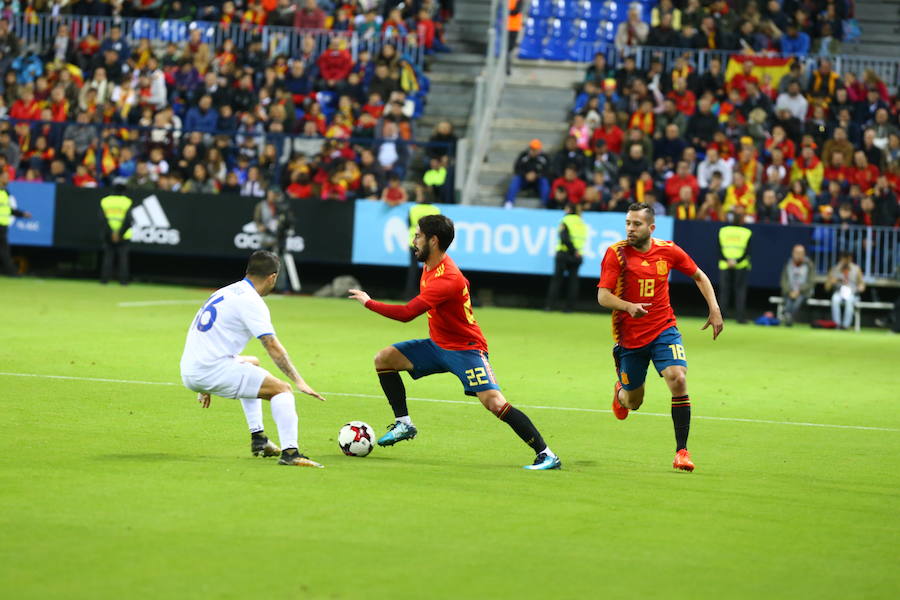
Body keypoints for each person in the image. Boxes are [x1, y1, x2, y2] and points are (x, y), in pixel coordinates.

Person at [348, 215, 561, 470]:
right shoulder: (430, 265)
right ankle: (404, 423)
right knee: (384, 359)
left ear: (433, 241)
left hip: (466, 350)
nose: (413, 240)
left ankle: (546, 454)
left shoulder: (448, 278)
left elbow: (407, 314)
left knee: (494, 402)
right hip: (437, 345)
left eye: (418, 236)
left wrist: (368, 302)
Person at [597, 202, 723, 472]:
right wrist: (628, 306)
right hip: (630, 338)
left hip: (664, 329)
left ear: (651, 227)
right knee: (634, 402)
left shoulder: (668, 250)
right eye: (628, 223)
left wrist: (714, 308)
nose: (630, 229)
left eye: (636, 224)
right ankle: (620, 392)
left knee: (678, 378)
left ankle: (682, 452)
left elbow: (699, 276)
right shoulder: (616, 254)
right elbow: (603, 296)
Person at [180, 250, 325, 467]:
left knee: (253, 363)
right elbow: (272, 346)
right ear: (272, 277)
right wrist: (298, 381)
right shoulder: (251, 301)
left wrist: (202, 383)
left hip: (191, 368)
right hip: (210, 370)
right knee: (282, 390)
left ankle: (259, 438)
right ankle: (291, 453)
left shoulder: (226, 291)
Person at [545, 202, 586, 312]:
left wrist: (573, 250)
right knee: (573, 282)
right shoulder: (581, 222)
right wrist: (576, 252)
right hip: (578, 255)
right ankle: (569, 308)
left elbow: (564, 238)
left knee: (557, 280)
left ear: (569, 209)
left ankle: (550, 306)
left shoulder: (566, 220)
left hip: (564, 253)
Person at [404, 192, 441, 300]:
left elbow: (409, 223)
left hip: (415, 242)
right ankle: (431, 293)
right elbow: (439, 227)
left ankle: (409, 294)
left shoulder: (413, 209)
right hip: (430, 243)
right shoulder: (435, 210)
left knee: (413, 269)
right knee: (432, 269)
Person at [717, 210, 752, 323]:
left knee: (724, 291)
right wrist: (736, 261)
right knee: (740, 291)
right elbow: (748, 251)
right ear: (742, 220)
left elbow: (718, 249)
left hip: (725, 264)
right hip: (740, 265)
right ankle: (740, 317)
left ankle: (721, 317)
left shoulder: (723, 231)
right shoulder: (746, 232)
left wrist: (727, 260)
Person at [99, 184, 133, 285]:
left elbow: (102, 219)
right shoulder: (127, 201)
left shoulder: (105, 201)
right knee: (123, 258)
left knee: (108, 257)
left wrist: (111, 232)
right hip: (124, 235)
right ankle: (123, 281)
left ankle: (104, 280)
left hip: (108, 234)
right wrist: (119, 233)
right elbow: (128, 220)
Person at [0, 171, 31, 276]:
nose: (8, 179)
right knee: (4, 249)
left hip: (3, 225)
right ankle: (11, 272)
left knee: (4, 249)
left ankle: (10, 271)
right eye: (5, 177)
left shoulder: (5, 192)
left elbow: (8, 210)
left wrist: (22, 214)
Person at [825, 251, 865, 330]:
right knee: (835, 299)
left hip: (852, 293)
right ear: (840, 259)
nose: (846, 261)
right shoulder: (835, 269)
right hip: (839, 292)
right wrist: (831, 282)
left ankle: (845, 326)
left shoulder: (856, 269)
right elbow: (827, 287)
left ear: (851, 259)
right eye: (844, 259)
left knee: (849, 301)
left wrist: (861, 287)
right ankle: (837, 324)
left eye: (848, 259)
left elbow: (861, 284)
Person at [505, 139, 550, 208]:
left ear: (539, 150)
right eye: (532, 149)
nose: (533, 151)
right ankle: (509, 202)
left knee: (544, 182)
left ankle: (545, 204)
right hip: (524, 179)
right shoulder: (523, 156)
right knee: (516, 180)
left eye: (535, 149)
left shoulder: (544, 158)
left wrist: (536, 175)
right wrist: (525, 175)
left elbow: (547, 171)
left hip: (538, 180)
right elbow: (517, 168)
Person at [780, 244, 815, 326]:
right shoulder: (788, 264)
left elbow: (811, 282)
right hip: (789, 292)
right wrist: (790, 291)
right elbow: (783, 281)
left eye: (801, 253)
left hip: (804, 292)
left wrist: (799, 291)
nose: (799, 255)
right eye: (797, 253)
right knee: (789, 300)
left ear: (804, 254)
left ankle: (788, 316)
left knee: (797, 301)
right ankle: (788, 317)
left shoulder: (809, 265)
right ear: (793, 253)